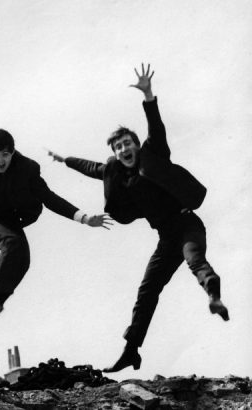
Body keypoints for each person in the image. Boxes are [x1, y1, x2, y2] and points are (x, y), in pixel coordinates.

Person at [47, 64, 229, 373]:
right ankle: (131, 350)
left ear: (135, 144)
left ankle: (214, 295)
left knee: (194, 258)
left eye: (127, 143)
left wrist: (147, 95)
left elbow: (155, 127)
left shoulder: (153, 155)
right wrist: (65, 160)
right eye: (118, 147)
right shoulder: (116, 174)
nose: (124, 149)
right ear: (116, 154)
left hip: (187, 223)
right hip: (165, 236)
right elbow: (92, 168)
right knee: (147, 290)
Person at [0, 105, 111, 339]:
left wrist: (84, 218)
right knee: (12, 244)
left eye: (5, 155)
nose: (0, 161)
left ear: (12, 153)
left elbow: (49, 198)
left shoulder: (27, 169)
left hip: (10, 221)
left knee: (22, 260)